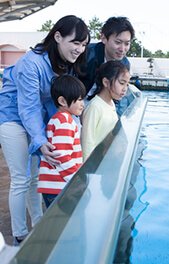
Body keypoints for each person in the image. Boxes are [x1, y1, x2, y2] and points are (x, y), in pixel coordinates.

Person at [0, 15, 90, 246]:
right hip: (12, 115)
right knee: (21, 177)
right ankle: (20, 235)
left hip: (35, 117)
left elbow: (59, 102)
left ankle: (38, 226)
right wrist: (40, 140)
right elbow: (27, 106)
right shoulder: (31, 63)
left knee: (35, 177)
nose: (79, 49)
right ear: (57, 36)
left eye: (83, 44)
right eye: (75, 43)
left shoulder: (65, 63)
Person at [37, 75, 85, 208]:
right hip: (60, 187)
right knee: (62, 225)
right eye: (79, 99)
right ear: (62, 101)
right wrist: (76, 180)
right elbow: (62, 155)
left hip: (54, 185)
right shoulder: (65, 120)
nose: (83, 104)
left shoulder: (56, 119)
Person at [78, 16, 135, 115]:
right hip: (76, 109)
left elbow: (117, 99)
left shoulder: (124, 64)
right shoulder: (86, 55)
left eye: (127, 44)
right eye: (118, 42)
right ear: (104, 38)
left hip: (98, 112)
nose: (122, 49)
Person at [81, 60, 130, 161]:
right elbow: (87, 141)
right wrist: (86, 171)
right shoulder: (95, 107)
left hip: (105, 160)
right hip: (94, 164)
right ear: (106, 82)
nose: (125, 89)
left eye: (127, 84)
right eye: (121, 83)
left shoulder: (111, 103)